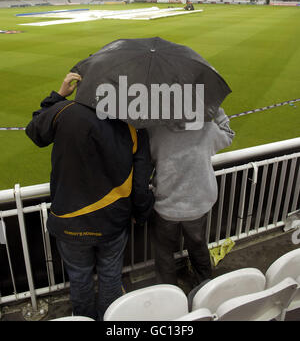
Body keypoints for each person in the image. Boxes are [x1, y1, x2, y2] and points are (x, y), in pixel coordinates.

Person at [26, 72, 154, 320]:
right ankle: (108, 317)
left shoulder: (65, 110)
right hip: (112, 222)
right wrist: (142, 213)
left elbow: (35, 131)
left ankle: (84, 316)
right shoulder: (134, 124)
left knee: (80, 278)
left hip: (70, 219)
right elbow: (141, 182)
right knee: (109, 276)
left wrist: (57, 96)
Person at [147, 107, 235, 286]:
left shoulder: (155, 131)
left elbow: (145, 160)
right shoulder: (207, 128)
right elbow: (228, 135)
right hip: (197, 204)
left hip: (165, 206)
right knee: (198, 246)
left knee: (164, 253)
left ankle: (169, 295)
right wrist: (217, 110)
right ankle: (205, 287)